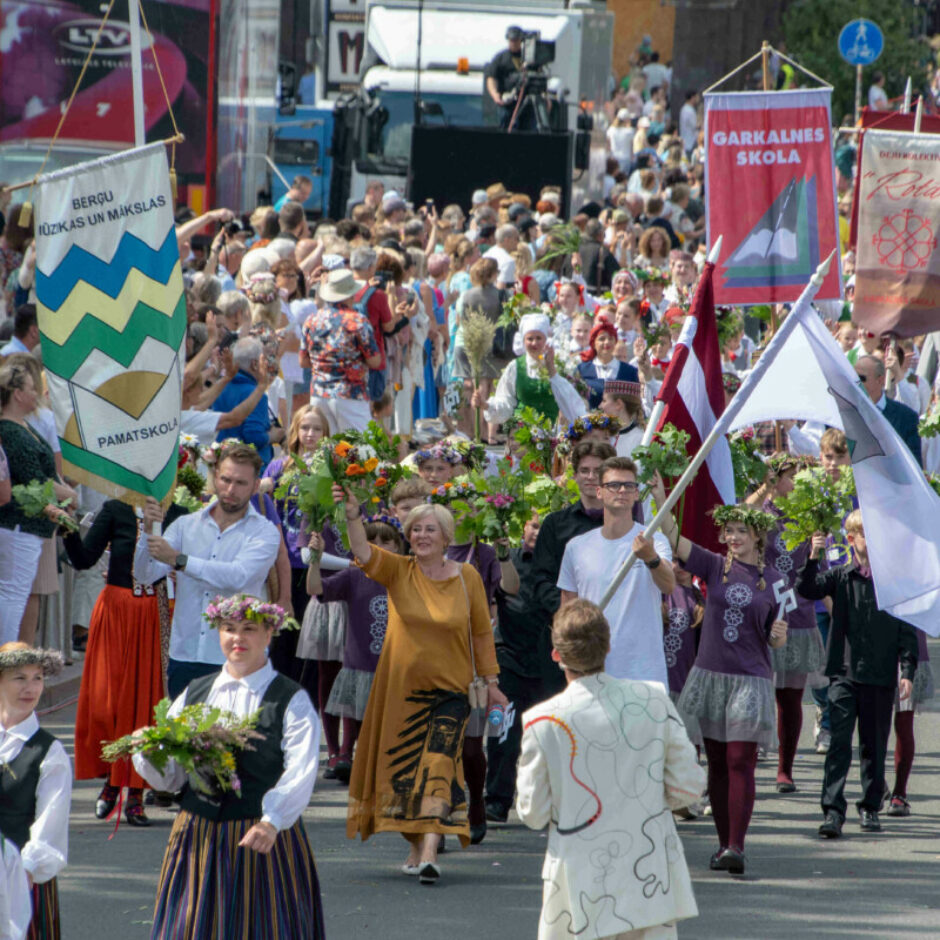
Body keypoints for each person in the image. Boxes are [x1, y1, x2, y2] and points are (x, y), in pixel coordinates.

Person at [339, 486, 507, 885]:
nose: (421, 536)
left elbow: (481, 632)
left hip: (451, 692)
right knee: (403, 773)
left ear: (446, 537)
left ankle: (430, 849)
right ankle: (416, 847)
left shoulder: (466, 577)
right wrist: (352, 516)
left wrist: (492, 682)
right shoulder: (398, 570)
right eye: (415, 530)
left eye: (430, 529)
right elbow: (362, 552)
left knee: (439, 764)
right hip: (400, 692)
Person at [132, 595, 325, 939]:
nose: (238, 638)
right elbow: (171, 778)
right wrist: (149, 752)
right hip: (198, 835)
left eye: (249, 628)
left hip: (261, 835)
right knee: (192, 926)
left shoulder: (290, 699)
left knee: (263, 927)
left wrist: (272, 820)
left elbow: (301, 769)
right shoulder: (195, 693)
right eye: (229, 628)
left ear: (269, 634)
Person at [516, 599, 703, 940]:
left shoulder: (542, 721)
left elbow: (532, 812)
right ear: (608, 646)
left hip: (577, 880)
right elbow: (688, 786)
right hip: (648, 874)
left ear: (556, 654)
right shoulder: (653, 700)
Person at [650, 483, 788, 875]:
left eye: (742, 531)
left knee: (739, 759)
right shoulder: (713, 565)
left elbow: (779, 636)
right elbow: (673, 537)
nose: (734, 537)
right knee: (717, 763)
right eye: (729, 531)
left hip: (750, 679)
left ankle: (737, 847)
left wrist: (778, 636)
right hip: (711, 675)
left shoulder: (776, 580)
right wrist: (661, 497)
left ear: (757, 535)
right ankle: (723, 843)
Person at [798, 512, 918, 839]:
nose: (873, 539)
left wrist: (907, 670)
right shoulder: (841, 576)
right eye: (865, 533)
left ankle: (870, 806)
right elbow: (807, 588)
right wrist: (814, 555)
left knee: (873, 746)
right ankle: (833, 811)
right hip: (844, 674)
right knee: (839, 744)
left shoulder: (893, 582)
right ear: (851, 539)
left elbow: (906, 630)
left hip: (880, 675)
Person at [62, 499, 180, 827]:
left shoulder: (178, 514)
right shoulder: (116, 509)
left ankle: (136, 792)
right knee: (108, 701)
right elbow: (83, 559)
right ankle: (113, 781)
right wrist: (66, 526)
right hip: (115, 612)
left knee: (145, 703)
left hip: (154, 613)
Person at [134, 442, 281, 697]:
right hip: (185, 654)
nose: (230, 489)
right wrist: (147, 533)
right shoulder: (185, 525)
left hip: (239, 657)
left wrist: (180, 560)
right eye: (225, 480)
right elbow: (145, 575)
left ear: (255, 486)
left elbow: (237, 577)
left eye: (241, 483)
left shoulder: (264, 531)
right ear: (215, 477)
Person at [559, 457, 675, 687]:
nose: (622, 490)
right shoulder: (576, 547)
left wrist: (651, 558)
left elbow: (669, 585)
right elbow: (567, 612)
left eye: (629, 485)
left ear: (636, 494)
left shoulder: (654, 540)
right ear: (599, 492)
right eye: (614, 485)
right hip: (593, 671)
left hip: (644, 674)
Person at [305, 515, 405, 782]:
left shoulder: (407, 574)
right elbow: (315, 588)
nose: (379, 546)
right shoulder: (354, 575)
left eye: (386, 541)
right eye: (371, 540)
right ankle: (346, 756)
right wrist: (315, 559)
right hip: (359, 661)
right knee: (354, 709)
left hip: (395, 665)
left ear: (399, 545)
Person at [0, 360, 77, 644]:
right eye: (31, 388)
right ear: (17, 394)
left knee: (16, 594)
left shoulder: (22, 426)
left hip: (29, 526)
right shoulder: (11, 432)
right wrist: (68, 494)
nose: (36, 393)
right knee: (13, 595)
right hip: (19, 524)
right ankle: (7, 656)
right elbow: (34, 480)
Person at [530, 441, 615, 695]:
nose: (591, 477)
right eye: (584, 470)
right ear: (575, 476)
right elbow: (541, 580)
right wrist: (573, 617)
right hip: (567, 635)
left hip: (613, 633)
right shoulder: (555, 524)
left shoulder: (624, 525)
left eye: (598, 471)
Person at [0, 642, 72, 940]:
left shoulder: (48, 751)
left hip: (21, 879)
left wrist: (24, 872)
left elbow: (50, 821)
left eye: (37, 678)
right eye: (20, 678)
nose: (30, 688)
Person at [301, 269, 382, 434]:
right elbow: (375, 361)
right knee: (361, 446)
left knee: (326, 446)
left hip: (319, 392)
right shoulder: (357, 321)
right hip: (351, 393)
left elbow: (303, 361)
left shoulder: (312, 320)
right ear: (350, 295)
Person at [478, 313, 586, 426]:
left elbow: (570, 401)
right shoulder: (515, 367)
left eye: (539, 338)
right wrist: (486, 405)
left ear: (546, 339)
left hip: (552, 432)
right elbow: (505, 402)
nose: (534, 343)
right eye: (530, 339)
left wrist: (552, 370)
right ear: (523, 341)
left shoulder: (558, 364)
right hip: (522, 431)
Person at [211, 336, 283, 465]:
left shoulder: (220, 387)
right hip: (248, 466)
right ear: (255, 364)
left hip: (220, 459)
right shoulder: (256, 395)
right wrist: (274, 436)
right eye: (264, 360)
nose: (267, 364)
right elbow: (254, 437)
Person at [855, 355, 922, 465]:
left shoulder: (906, 418)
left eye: (861, 378)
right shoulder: (845, 413)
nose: (856, 383)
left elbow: (914, 465)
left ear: (880, 380)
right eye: (854, 378)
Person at [577, 316, 639, 409]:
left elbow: (635, 403)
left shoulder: (630, 371)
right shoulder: (582, 369)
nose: (606, 342)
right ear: (594, 343)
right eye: (602, 339)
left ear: (615, 342)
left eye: (610, 338)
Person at [484, 27, 533, 131]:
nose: (514, 43)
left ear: (521, 41)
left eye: (516, 40)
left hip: (527, 104)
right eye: (512, 40)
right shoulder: (501, 58)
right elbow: (491, 77)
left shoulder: (529, 58)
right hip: (507, 104)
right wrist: (495, 95)